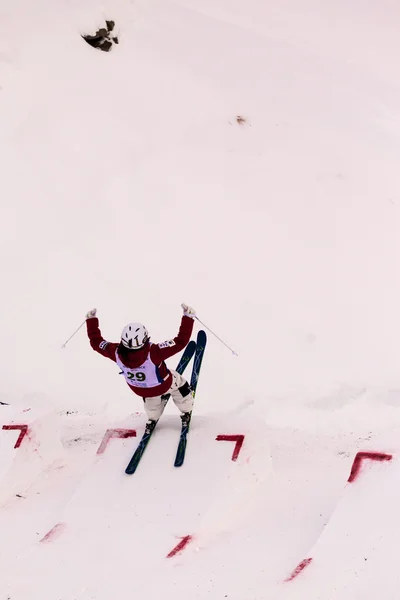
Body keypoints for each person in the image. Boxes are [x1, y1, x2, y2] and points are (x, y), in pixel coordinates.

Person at [85, 304, 196, 432]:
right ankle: (186, 408)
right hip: (162, 385)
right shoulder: (154, 352)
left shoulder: (116, 352)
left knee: (152, 403)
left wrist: (91, 321)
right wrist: (188, 317)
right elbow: (180, 341)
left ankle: (153, 416)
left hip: (140, 389)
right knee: (178, 381)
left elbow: (96, 343)